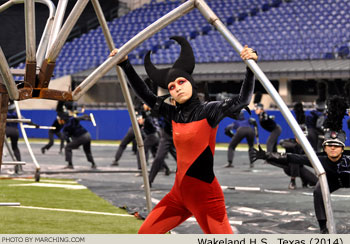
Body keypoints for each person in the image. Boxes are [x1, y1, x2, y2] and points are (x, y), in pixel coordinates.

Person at [110, 36, 257, 234]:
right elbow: (146, 94)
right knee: (145, 235)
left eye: (181, 82)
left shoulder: (209, 111)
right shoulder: (173, 113)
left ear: (191, 83)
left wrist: (250, 67)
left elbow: (242, 100)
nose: (177, 87)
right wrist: (125, 64)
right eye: (171, 86)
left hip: (206, 199)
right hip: (178, 196)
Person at [250, 96, 348, 233]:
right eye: (329, 145)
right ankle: (323, 228)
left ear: (343, 149)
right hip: (331, 181)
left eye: (336, 146)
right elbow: (293, 157)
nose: (332, 148)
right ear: (324, 148)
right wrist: (267, 155)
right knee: (318, 192)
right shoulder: (319, 159)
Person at [5, 102, 22, 174]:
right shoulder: (16, 114)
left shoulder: (4, 113)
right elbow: (23, 119)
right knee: (15, 148)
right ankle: (19, 167)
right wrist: (35, 125)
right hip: (15, 131)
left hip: (6, 131)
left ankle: (18, 166)